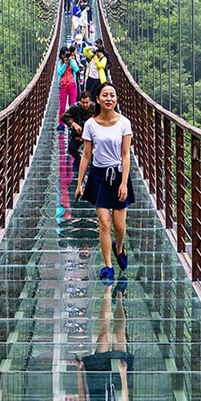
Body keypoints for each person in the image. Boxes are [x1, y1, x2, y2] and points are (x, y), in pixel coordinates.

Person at [75, 82, 133, 280]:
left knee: (119, 226)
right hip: (99, 176)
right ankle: (108, 265)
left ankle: (119, 247)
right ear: (97, 99)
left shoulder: (124, 123)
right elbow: (86, 155)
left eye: (112, 95)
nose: (109, 99)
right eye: (105, 95)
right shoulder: (90, 124)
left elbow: (126, 155)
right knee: (104, 223)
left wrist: (124, 183)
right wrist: (79, 182)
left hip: (118, 175)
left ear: (116, 99)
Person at [62, 90, 96, 167]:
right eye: (83, 102)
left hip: (92, 134)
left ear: (90, 101)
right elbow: (64, 117)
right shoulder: (75, 107)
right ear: (79, 101)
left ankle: (93, 161)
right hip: (78, 134)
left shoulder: (95, 107)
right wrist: (73, 124)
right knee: (71, 147)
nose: (85, 105)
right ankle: (78, 159)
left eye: (87, 102)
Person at [57, 46, 80, 130]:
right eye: (63, 55)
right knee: (62, 106)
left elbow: (76, 69)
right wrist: (65, 64)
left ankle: (72, 123)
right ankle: (61, 123)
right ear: (61, 55)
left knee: (72, 105)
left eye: (66, 54)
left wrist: (71, 61)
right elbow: (60, 72)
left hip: (72, 85)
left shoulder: (72, 61)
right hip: (63, 85)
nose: (65, 56)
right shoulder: (60, 63)